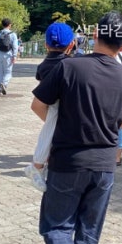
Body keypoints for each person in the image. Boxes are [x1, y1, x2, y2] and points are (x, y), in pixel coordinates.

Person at [30, 11, 122, 244]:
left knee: (57, 228)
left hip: (68, 162)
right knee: (88, 234)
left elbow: (38, 105)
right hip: (104, 167)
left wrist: (61, 127)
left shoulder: (69, 67)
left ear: (94, 35)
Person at [23, 22, 75, 192]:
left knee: (49, 132)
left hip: (50, 103)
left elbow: (41, 83)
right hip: (61, 105)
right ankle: (36, 166)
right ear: (71, 44)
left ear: (46, 44)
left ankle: (39, 165)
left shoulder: (43, 65)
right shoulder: (72, 65)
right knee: (49, 132)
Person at [0, 18, 19, 95]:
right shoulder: (13, 34)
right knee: (8, 72)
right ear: (10, 25)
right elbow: (15, 46)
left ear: (2, 25)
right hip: (8, 55)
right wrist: (15, 56)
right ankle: (4, 83)